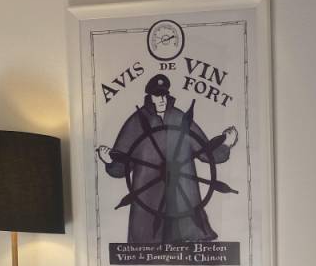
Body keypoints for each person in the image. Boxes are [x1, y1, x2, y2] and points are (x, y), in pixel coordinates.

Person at [97, 73, 238, 244]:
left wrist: (226, 144)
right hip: (149, 203)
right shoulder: (136, 122)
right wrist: (109, 161)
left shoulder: (180, 119)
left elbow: (205, 152)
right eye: (157, 95)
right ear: (149, 97)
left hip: (182, 200)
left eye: (164, 95)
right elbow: (122, 165)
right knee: (146, 244)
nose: (162, 99)